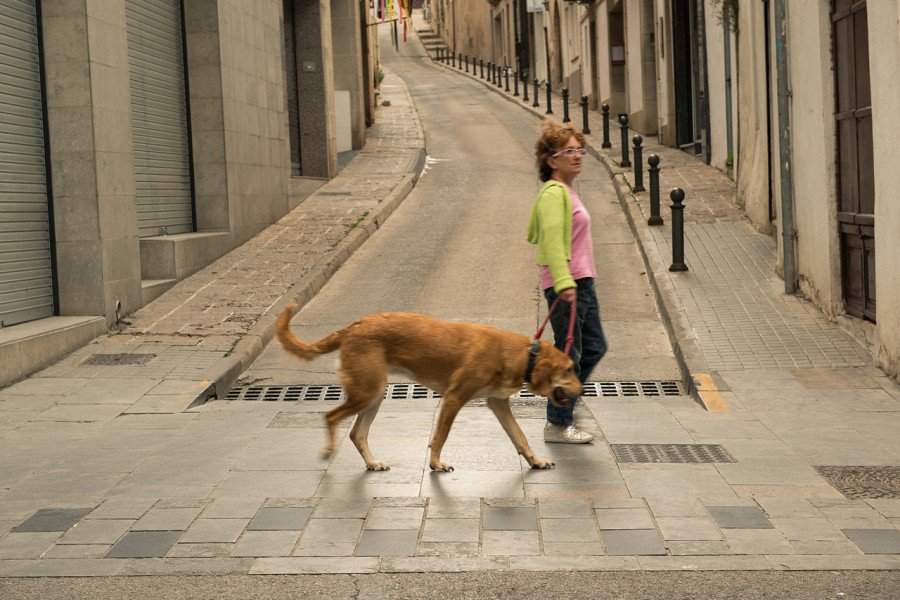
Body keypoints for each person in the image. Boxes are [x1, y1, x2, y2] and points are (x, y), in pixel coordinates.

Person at [527, 119, 608, 444]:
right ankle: (558, 422)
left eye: (579, 151)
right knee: (569, 356)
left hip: (581, 282)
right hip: (568, 285)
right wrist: (564, 282)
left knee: (593, 347)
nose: (577, 157)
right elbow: (549, 242)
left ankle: (566, 399)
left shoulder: (567, 191)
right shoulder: (553, 194)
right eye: (569, 151)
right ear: (551, 160)